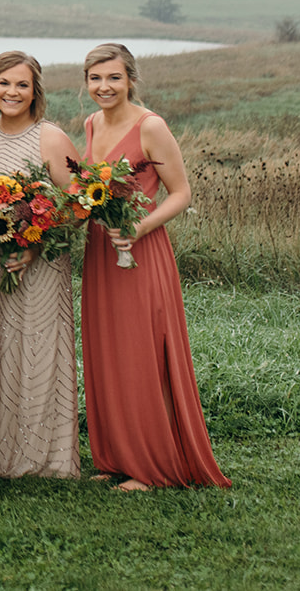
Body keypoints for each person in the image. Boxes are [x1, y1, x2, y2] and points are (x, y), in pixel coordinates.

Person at [78, 43, 230, 490]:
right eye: (95, 78)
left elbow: (181, 193)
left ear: (131, 80)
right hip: (101, 251)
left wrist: (140, 228)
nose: (104, 87)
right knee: (108, 352)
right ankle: (116, 455)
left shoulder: (151, 126)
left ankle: (153, 466)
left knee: (142, 353)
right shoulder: (90, 124)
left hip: (140, 252)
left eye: (114, 78)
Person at [0, 51, 82, 480]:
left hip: (39, 263)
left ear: (35, 92)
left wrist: (36, 244)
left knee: (35, 352)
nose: (12, 92)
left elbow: (77, 204)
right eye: (4, 83)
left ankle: (40, 456)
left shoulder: (50, 138)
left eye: (22, 85)